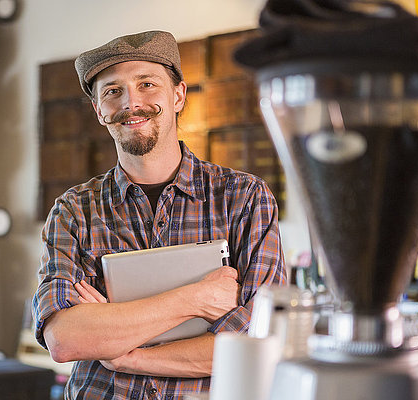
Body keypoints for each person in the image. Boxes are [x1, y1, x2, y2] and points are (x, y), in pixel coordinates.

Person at [33, 30, 286, 399]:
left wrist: (124, 355)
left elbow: (256, 342)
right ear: (99, 110)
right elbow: (65, 339)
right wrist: (197, 298)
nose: (131, 102)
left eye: (147, 84)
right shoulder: (74, 210)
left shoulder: (245, 198)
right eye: (112, 91)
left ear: (178, 95)